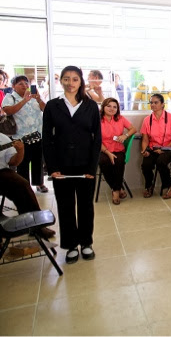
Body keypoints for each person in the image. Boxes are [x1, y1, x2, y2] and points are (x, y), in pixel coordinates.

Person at [42, 65, 101, 264]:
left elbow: (97, 139)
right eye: (66, 79)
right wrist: (52, 168)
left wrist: (93, 167)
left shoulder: (90, 106)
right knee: (66, 206)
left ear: (80, 81)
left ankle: (86, 243)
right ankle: (70, 245)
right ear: (61, 81)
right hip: (62, 165)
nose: (70, 83)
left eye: (75, 79)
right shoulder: (52, 106)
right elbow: (47, 140)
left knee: (86, 206)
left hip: (85, 165)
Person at [0, 133, 55, 238]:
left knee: (21, 184)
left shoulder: (2, 138)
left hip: (1, 172)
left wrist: (20, 150)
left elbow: (14, 162)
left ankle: (36, 225)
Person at [2, 75, 47, 192]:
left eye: (26, 83)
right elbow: (8, 111)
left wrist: (38, 98)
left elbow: (45, 110)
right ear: (13, 86)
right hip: (20, 137)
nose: (24, 85)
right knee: (22, 162)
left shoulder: (34, 97)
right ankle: (25, 186)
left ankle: (39, 183)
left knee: (38, 161)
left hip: (38, 134)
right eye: (20, 83)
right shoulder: (10, 97)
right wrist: (24, 101)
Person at [140, 93, 171, 199]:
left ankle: (169, 185)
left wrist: (163, 149)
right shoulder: (147, 120)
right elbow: (145, 139)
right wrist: (144, 150)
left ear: (163, 104)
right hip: (154, 149)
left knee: (161, 161)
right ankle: (149, 186)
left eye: (156, 102)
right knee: (146, 164)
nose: (153, 105)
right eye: (151, 103)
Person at [98, 98, 136, 205]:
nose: (112, 109)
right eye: (109, 106)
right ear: (103, 107)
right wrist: (108, 153)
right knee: (104, 162)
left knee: (119, 162)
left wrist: (125, 135)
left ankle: (115, 191)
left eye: (115, 107)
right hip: (103, 150)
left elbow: (133, 129)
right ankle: (119, 189)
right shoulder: (98, 120)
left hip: (118, 149)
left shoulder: (120, 119)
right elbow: (96, 140)